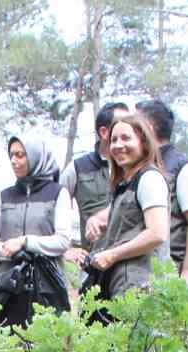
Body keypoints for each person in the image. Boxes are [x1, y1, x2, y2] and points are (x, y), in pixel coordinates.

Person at [82, 100, 188, 279]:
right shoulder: (133, 171)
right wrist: (96, 220)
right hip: (126, 274)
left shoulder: (182, 169)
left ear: (147, 129)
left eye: (134, 121)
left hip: (163, 274)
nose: (126, 123)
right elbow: (127, 211)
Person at [0, 133, 76, 322]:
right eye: (11, 155)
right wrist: (11, 252)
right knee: (3, 339)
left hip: (47, 290)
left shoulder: (58, 193)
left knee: (43, 339)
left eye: (20, 155)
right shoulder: (4, 196)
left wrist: (25, 242)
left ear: (35, 157)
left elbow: (63, 241)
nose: (13, 160)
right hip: (7, 289)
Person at [83, 112, 170, 299]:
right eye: (113, 140)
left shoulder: (149, 179)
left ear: (144, 142)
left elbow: (157, 234)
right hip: (121, 286)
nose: (118, 145)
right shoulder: (125, 185)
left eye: (126, 138)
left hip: (141, 289)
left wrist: (112, 255)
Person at [60, 100, 127, 267]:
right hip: (93, 265)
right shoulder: (78, 168)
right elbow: (53, 209)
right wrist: (66, 249)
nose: (129, 128)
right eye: (123, 123)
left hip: (130, 262)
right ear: (104, 132)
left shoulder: (136, 169)